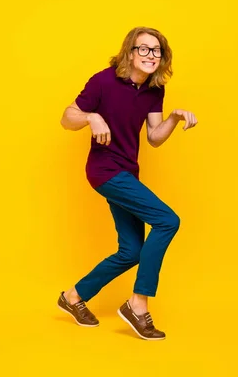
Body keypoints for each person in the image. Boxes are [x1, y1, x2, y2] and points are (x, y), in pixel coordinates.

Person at [57, 26, 197, 340]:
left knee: (132, 250)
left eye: (156, 50)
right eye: (143, 49)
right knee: (166, 220)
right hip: (105, 170)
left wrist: (172, 118)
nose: (150, 55)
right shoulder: (104, 80)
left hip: (128, 172)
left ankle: (73, 297)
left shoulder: (154, 89)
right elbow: (67, 118)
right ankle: (138, 305)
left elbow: (154, 137)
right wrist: (91, 117)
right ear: (129, 52)